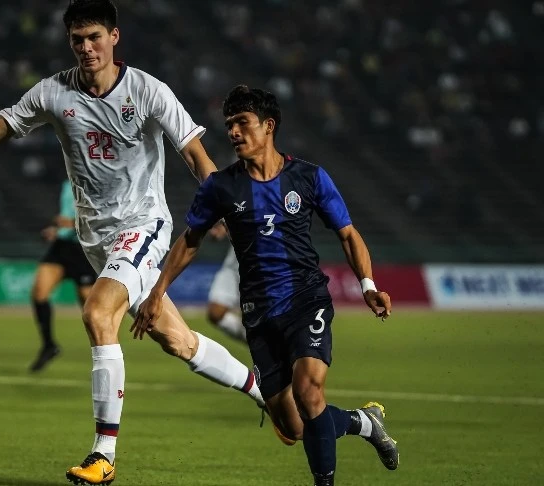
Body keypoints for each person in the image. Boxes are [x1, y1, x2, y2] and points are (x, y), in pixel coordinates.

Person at [0, 2, 264, 484]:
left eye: (94, 37)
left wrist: (224, 209)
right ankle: (265, 390)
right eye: (77, 39)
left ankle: (103, 455)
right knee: (178, 341)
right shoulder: (52, 93)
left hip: (143, 225)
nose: (86, 47)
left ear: (114, 36)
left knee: (97, 313)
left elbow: (194, 155)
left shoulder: (148, 91)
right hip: (95, 239)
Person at [133, 85, 399, 486]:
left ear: (268, 125)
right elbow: (190, 240)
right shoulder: (220, 187)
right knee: (294, 425)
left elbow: (347, 233)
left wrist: (367, 284)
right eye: (229, 125)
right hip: (258, 313)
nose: (233, 132)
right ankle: (364, 422)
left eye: (242, 123)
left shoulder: (309, 177)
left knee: (309, 392)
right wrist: (156, 293)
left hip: (306, 299)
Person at [30, 179, 97, 372]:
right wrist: (56, 229)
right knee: (39, 293)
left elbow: (101, 217)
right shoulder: (67, 184)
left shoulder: (96, 181)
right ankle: (49, 345)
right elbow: (66, 214)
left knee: (90, 308)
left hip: (83, 249)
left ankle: (103, 349)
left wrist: (73, 224)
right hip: (62, 246)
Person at [206, 225, 246, 342]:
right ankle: (255, 342)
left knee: (256, 318)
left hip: (262, 269)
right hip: (233, 266)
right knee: (215, 314)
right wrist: (222, 227)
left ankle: (263, 347)